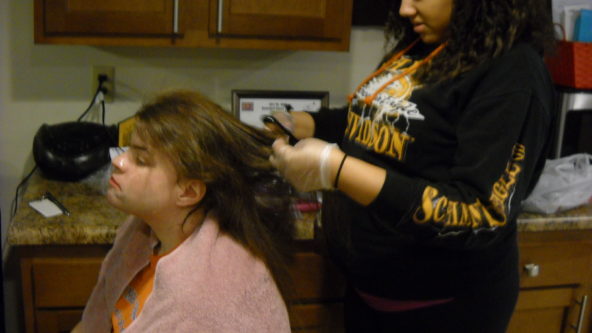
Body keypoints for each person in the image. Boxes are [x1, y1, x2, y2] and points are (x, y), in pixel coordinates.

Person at [269, 0, 556, 332]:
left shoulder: (513, 74)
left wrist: (335, 169)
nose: (405, 8)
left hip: (444, 312)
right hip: (369, 296)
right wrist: (306, 124)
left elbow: (475, 211)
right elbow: (383, 121)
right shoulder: (427, 47)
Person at [72, 90, 294, 332]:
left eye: (141, 159)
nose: (119, 161)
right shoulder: (143, 231)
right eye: (128, 149)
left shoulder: (204, 296)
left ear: (188, 192)